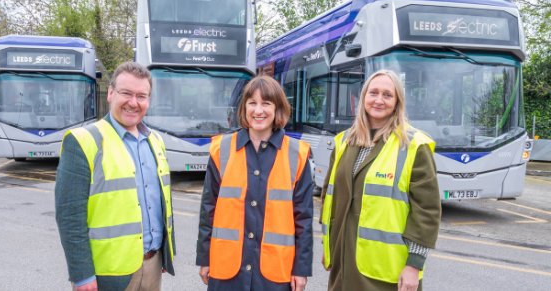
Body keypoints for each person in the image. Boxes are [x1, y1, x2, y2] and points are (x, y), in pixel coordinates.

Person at [55, 61, 175, 291]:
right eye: (126, 93)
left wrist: (163, 253)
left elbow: (161, 203)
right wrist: (82, 276)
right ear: (110, 93)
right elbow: (70, 217)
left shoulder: (156, 141)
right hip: (107, 274)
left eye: (141, 96)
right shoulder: (83, 141)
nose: (133, 102)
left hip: (152, 265)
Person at [320, 70, 440, 291]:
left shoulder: (413, 145)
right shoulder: (344, 141)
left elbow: (427, 210)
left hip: (387, 272)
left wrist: (414, 265)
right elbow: (331, 200)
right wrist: (329, 247)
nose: (378, 100)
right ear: (363, 97)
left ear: (397, 102)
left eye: (387, 95)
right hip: (343, 261)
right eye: (373, 93)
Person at [197, 75, 313, 291]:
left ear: (277, 108)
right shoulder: (221, 149)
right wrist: (204, 258)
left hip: (275, 270)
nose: (258, 110)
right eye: (252, 103)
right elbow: (208, 208)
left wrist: (301, 268)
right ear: (244, 107)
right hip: (227, 267)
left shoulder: (297, 154)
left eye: (266, 103)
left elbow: (304, 218)